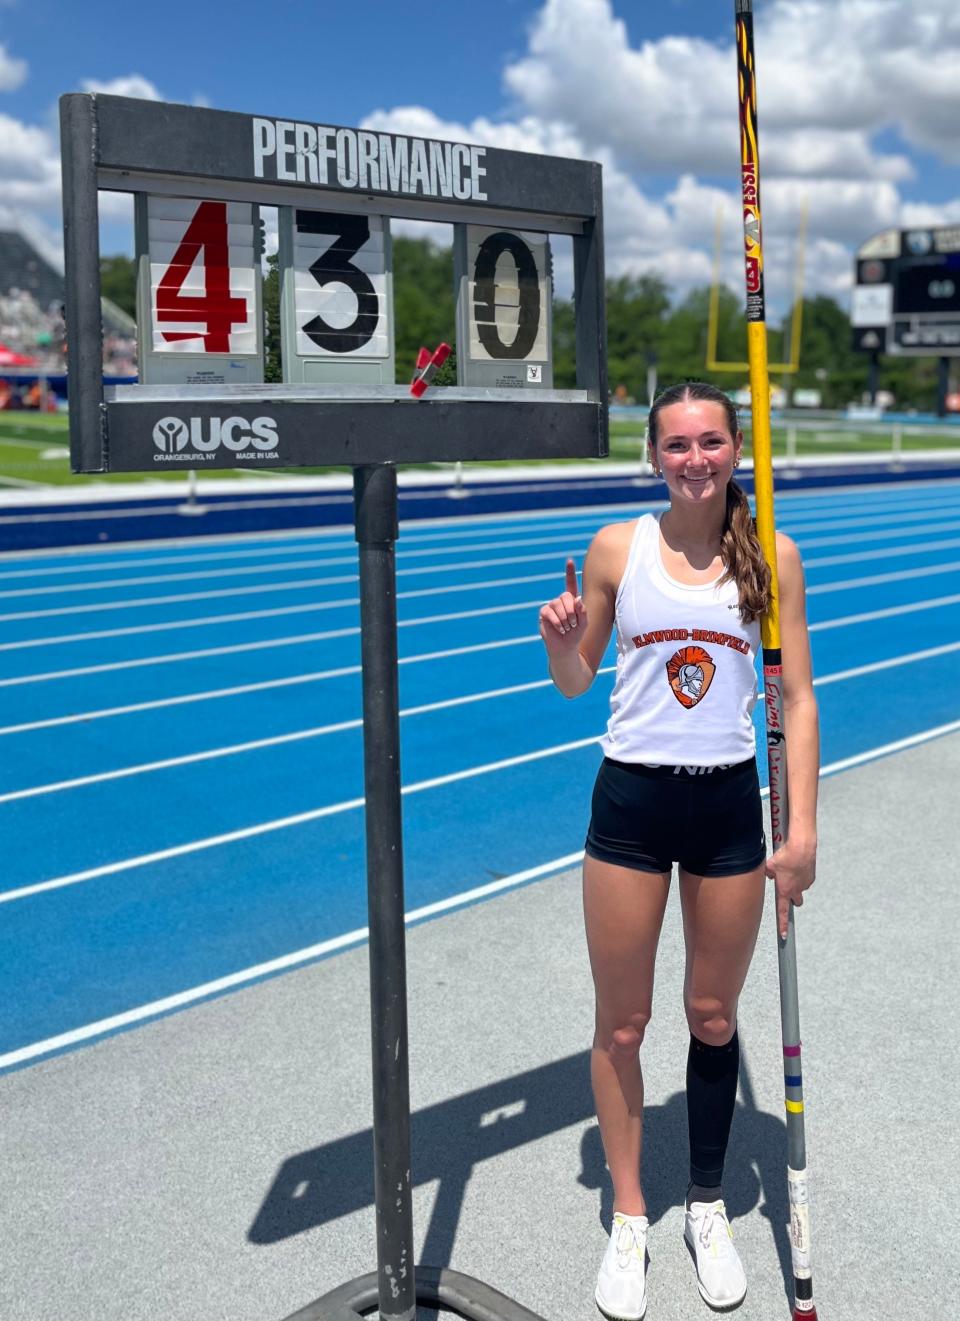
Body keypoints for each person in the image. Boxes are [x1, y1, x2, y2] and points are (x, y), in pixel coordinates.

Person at [539, 381, 819, 1318]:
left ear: (735, 449)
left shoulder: (771, 554)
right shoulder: (619, 547)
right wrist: (564, 644)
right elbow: (578, 687)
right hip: (632, 802)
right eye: (676, 444)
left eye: (710, 442)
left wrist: (804, 829)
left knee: (710, 1016)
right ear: (653, 455)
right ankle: (629, 1213)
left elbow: (796, 702)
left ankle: (705, 1203)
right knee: (622, 1024)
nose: (694, 458)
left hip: (729, 811)